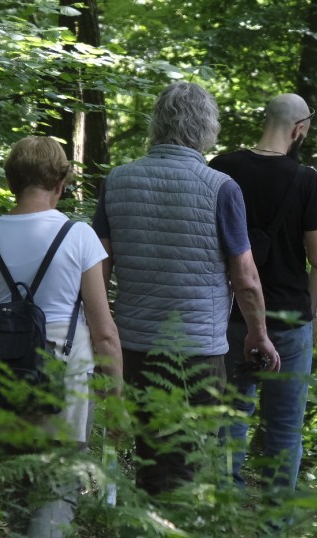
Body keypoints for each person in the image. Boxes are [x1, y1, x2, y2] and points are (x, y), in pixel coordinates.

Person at [92, 82, 280, 494]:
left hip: (134, 346)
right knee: (189, 463)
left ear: (157, 123)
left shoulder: (117, 181)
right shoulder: (221, 187)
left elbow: (98, 269)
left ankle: (147, 516)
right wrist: (258, 334)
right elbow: (246, 277)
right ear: (207, 128)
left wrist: (99, 335)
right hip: (197, 351)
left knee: (150, 456)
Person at [0, 136, 123, 537]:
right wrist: (116, 402)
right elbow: (105, 333)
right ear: (61, 183)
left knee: (14, 493)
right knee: (57, 493)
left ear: (12, 180)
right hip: (64, 375)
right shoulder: (79, 236)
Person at [208, 93, 317, 495]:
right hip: (288, 316)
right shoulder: (306, 180)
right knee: (284, 424)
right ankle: (277, 512)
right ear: (299, 129)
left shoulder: (223, 167)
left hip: (232, 313)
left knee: (230, 413)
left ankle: (228, 502)